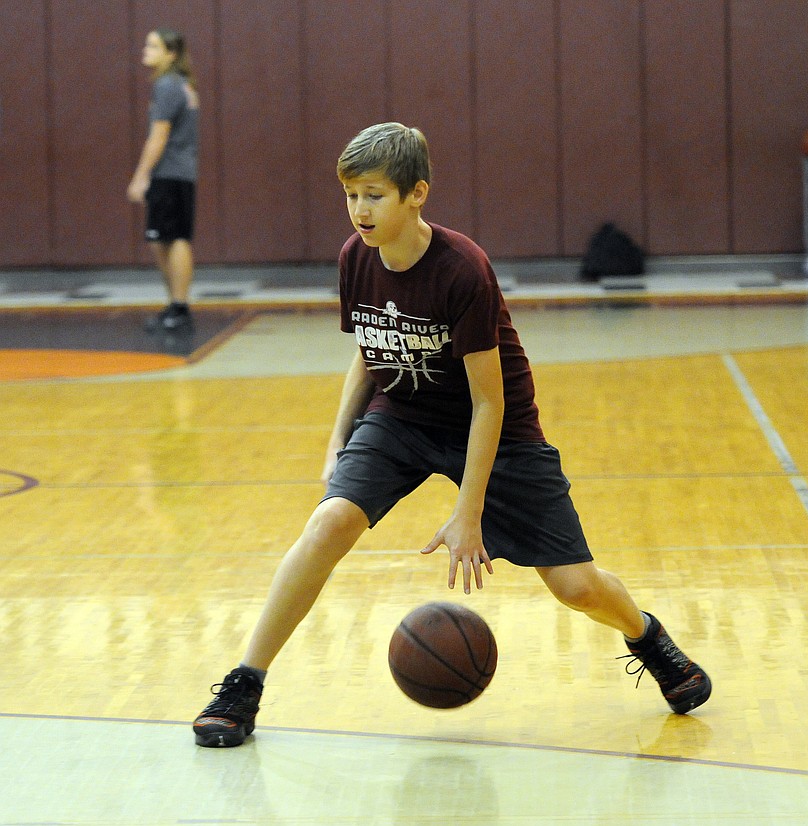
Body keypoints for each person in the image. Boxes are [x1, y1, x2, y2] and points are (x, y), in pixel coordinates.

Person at [192, 123, 712, 748]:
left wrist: (468, 516)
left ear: (417, 194)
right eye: (351, 194)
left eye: (374, 195)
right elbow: (370, 349)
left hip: (497, 427)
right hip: (401, 416)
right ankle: (244, 684)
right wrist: (337, 440)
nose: (359, 210)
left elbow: (489, 401)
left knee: (576, 587)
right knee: (328, 524)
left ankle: (645, 635)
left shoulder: (463, 268)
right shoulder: (354, 258)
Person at [127, 28, 199, 333]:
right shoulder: (181, 85)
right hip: (179, 173)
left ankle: (179, 306)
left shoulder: (168, 86)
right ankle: (175, 305)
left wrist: (141, 176)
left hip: (169, 173)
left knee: (174, 238)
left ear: (171, 53)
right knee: (164, 240)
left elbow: (158, 136)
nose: (146, 49)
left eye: (153, 45)